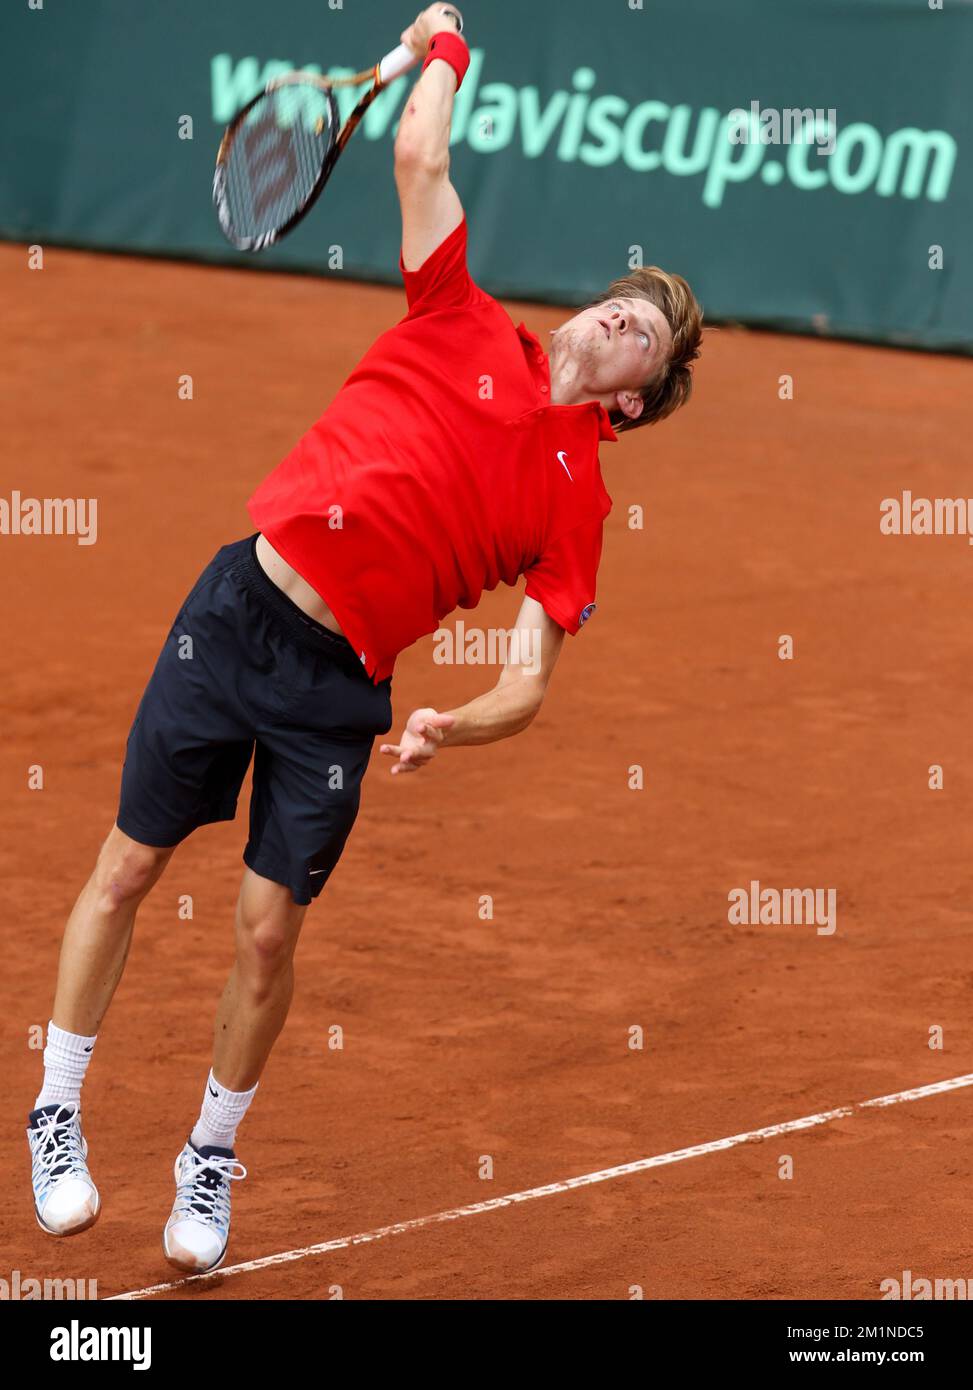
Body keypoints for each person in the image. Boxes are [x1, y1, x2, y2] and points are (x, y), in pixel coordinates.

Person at [26, 3, 703, 1275]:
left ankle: (209, 1156)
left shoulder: (576, 504)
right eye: (621, 305)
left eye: (641, 337)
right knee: (127, 864)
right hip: (237, 612)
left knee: (269, 929)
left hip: (340, 688)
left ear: (629, 402)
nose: (619, 319)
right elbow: (417, 160)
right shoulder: (456, 312)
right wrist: (444, 47)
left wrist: (459, 722)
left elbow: (529, 674)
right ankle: (55, 1108)